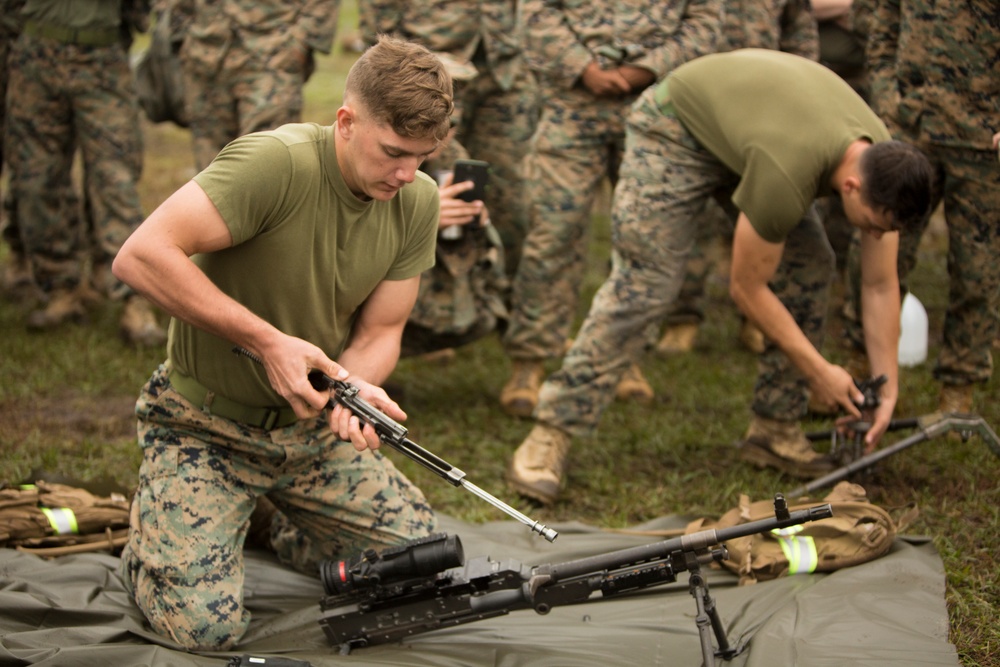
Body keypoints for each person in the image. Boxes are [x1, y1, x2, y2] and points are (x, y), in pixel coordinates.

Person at [112, 36, 454, 650]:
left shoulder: (416, 200)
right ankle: (160, 550)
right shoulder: (275, 164)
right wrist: (268, 343)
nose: (407, 174)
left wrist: (353, 388)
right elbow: (141, 256)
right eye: (394, 153)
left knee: (420, 569)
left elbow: (381, 330)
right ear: (346, 122)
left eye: (424, 157)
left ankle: (273, 522)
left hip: (309, 434)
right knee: (204, 630)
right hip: (204, 425)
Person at [507, 49, 933, 504]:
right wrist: (819, 372)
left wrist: (886, 387)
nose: (874, 234)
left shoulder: (886, 168)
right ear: (850, 186)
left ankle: (775, 427)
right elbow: (746, 288)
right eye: (872, 224)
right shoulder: (788, 173)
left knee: (810, 266)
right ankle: (551, 432)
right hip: (675, 125)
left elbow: (880, 284)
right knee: (647, 284)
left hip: (752, 134)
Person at [499, 0, 723, 417]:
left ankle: (623, 359)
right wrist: (585, 69)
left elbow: (707, 20)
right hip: (572, 106)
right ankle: (529, 360)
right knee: (553, 232)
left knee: (642, 240)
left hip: (658, 108)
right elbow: (536, 13)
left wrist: (648, 68)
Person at [839, 0, 1000, 417]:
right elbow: (882, 22)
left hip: (982, 139)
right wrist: (890, 98)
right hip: (911, 129)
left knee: (977, 270)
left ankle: (958, 391)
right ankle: (861, 366)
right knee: (878, 246)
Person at [655, 0, 820, 356]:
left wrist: (799, 88)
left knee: (763, 213)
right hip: (696, 99)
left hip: (763, 106)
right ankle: (681, 318)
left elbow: (800, 30)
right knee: (690, 218)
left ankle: (756, 320)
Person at [3, 0, 165, 346]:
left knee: (115, 180)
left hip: (101, 57)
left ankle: (134, 299)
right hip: (34, 56)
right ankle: (60, 287)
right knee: (36, 179)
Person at [358, 0, 538, 280]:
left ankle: (492, 291)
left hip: (504, 65)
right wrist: (386, 58)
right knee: (404, 173)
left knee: (502, 191)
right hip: (426, 59)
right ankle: (404, 294)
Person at [170, 0, 340, 171]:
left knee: (268, 159)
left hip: (271, 55)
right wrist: (180, 31)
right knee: (210, 166)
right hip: (205, 55)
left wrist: (301, 41)